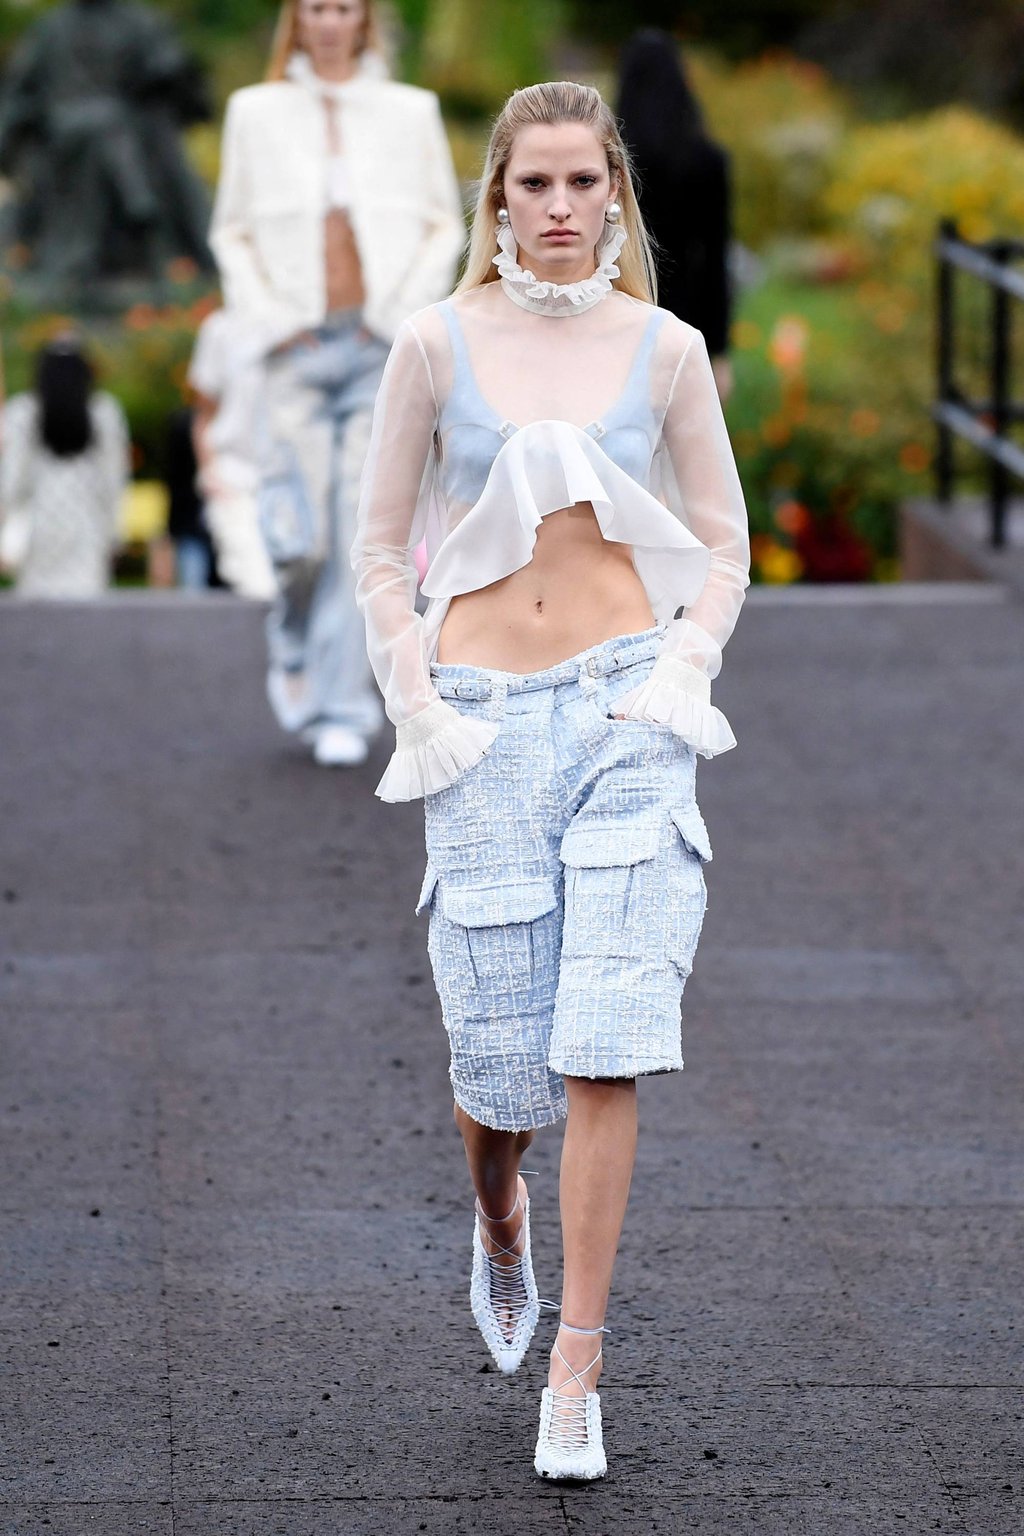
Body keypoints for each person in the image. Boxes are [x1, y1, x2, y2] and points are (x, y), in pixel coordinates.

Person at [352, 82, 749, 1479]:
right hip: (480, 723)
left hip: (627, 716)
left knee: (607, 1038)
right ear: (499, 199)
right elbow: (380, 548)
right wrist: (417, 703)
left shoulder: (666, 350)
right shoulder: (435, 344)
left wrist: (680, 673)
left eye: (588, 184)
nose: (564, 208)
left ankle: (575, 1365)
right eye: (537, 186)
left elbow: (723, 545)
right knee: (499, 1072)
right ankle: (499, 1210)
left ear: (618, 196)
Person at [209, 0, 464, 766]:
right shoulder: (253, 112)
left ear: (363, 18)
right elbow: (232, 229)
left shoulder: (409, 111)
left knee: (362, 531)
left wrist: (396, 316)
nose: (329, 20)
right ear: (298, 16)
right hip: (293, 349)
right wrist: (271, 317)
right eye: (316, 6)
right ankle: (291, 638)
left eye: (342, 6)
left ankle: (340, 707)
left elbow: (442, 222)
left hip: (376, 346)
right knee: (299, 538)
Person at [616, 29, 734, 402]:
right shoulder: (707, 161)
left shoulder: (610, 164)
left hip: (619, 309)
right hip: (686, 317)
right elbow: (716, 257)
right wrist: (719, 350)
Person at [0, 336, 129, 598]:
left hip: (39, 527)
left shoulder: (22, 413)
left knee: (38, 619)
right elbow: (114, 480)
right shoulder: (104, 412)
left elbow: (11, 481)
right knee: (85, 615)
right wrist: (115, 533)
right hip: (87, 528)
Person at [188, 307, 275, 600]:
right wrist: (210, 472)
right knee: (258, 587)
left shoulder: (307, 319)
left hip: (291, 482)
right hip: (235, 480)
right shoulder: (221, 327)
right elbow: (204, 412)